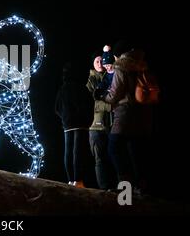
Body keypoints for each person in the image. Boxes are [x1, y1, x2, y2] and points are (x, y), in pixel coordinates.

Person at [96, 41, 153, 195]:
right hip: (143, 115)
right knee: (136, 152)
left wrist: (102, 96)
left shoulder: (121, 67)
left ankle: (125, 189)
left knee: (114, 148)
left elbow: (115, 94)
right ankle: (141, 188)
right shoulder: (142, 65)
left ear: (118, 55)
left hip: (125, 114)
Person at [55, 62, 93, 188]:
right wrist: (87, 119)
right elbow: (89, 104)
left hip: (67, 123)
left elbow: (57, 108)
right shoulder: (82, 88)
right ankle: (79, 180)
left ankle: (70, 180)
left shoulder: (62, 89)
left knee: (68, 151)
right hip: (81, 124)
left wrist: (65, 117)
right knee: (78, 152)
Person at [87, 49, 114, 190]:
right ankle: (104, 187)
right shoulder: (91, 80)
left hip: (111, 124)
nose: (100, 63)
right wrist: (111, 105)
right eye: (96, 61)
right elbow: (94, 100)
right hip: (96, 125)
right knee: (100, 159)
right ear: (92, 63)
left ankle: (116, 187)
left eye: (101, 61)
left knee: (113, 157)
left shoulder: (110, 76)